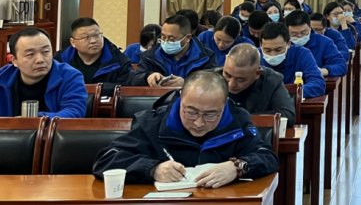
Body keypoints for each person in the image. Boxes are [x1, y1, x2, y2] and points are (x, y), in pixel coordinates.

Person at [92, 70, 278, 186]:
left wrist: (238, 167)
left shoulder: (237, 122)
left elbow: (267, 157)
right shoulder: (153, 123)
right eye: (191, 112)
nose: (199, 123)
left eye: (210, 114)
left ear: (224, 105)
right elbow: (107, 160)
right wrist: (152, 169)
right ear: (181, 97)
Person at [0, 27, 86, 117]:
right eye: (30, 54)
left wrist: (33, 120)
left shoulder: (70, 76)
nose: (40, 60)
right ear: (14, 60)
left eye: (45, 52)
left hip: (51, 126)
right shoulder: (2, 77)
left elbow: (75, 112)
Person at [131, 15, 218, 87]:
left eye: (171, 39)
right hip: (157, 100)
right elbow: (133, 80)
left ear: (187, 38)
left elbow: (213, 84)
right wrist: (148, 76)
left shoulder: (205, 57)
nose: (166, 41)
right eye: (163, 37)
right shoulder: (150, 56)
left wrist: (187, 84)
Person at [54, 17, 133, 96]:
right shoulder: (60, 60)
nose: (93, 41)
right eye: (86, 37)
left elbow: (126, 89)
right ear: (73, 42)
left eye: (97, 35)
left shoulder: (119, 61)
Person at [259, 23, 326, 97]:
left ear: (288, 44)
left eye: (278, 49)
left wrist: (289, 93)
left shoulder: (302, 54)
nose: (273, 54)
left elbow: (318, 84)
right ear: (260, 45)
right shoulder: (254, 56)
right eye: (267, 50)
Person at [286, 10, 347, 78]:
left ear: (310, 27)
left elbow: (341, 66)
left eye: (303, 32)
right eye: (294, 34)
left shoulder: (325, 42)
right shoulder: (283, 44)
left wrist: (322, 71)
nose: (299, 36)